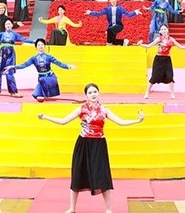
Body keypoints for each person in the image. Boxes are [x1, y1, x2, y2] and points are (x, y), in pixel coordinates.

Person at [38, 83, 145, 213]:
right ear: (86, 95)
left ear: (98, 93)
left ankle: (108, 208)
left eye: (95, 92)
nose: (93, 94)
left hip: (99, 145)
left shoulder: (104, 110)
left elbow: (121, 122)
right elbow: (63, 121)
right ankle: (72, 208)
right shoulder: (81, 109)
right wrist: (45, 117)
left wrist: (137, 120)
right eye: (90, 92)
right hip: (83, 144)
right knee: (77, 175)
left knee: (103, 175)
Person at [6, 38, 75, 101]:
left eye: (42, 44)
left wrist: (68, 66)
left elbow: (58, 63)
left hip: (50, 77)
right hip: (41, 78)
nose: (40, 46)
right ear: (36, 47)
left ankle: (46, 95)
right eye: (39, 45)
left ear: (44, 46)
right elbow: (24, 65)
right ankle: (45, 95)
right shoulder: (33, 58)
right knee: (35, 95)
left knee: (42, 80)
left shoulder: (49, 57)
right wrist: (12, 66)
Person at [138, 24, 185, 99]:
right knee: (154, 76)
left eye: (165, 29)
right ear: (160, 31)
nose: (164, 31)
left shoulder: (171, 39)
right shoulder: (158, 39)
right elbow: (149, 46)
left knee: (170, 76)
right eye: (162, 29)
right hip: (158, 59)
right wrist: (140, 44)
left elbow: (180, 47)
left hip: (167, 59)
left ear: (167, 30)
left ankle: (172, 94)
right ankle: (147, 93)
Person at [0, 20, 34, 96]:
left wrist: (33, 41)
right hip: (2, 53)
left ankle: (13, 92)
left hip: (10, 54)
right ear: (5, 26)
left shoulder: (15, 34)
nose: (8, 25)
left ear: (12, 25)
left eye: (9, 24)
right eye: (6, 24)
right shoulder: (2, 34)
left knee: (9, 72)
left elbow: (23, 39)